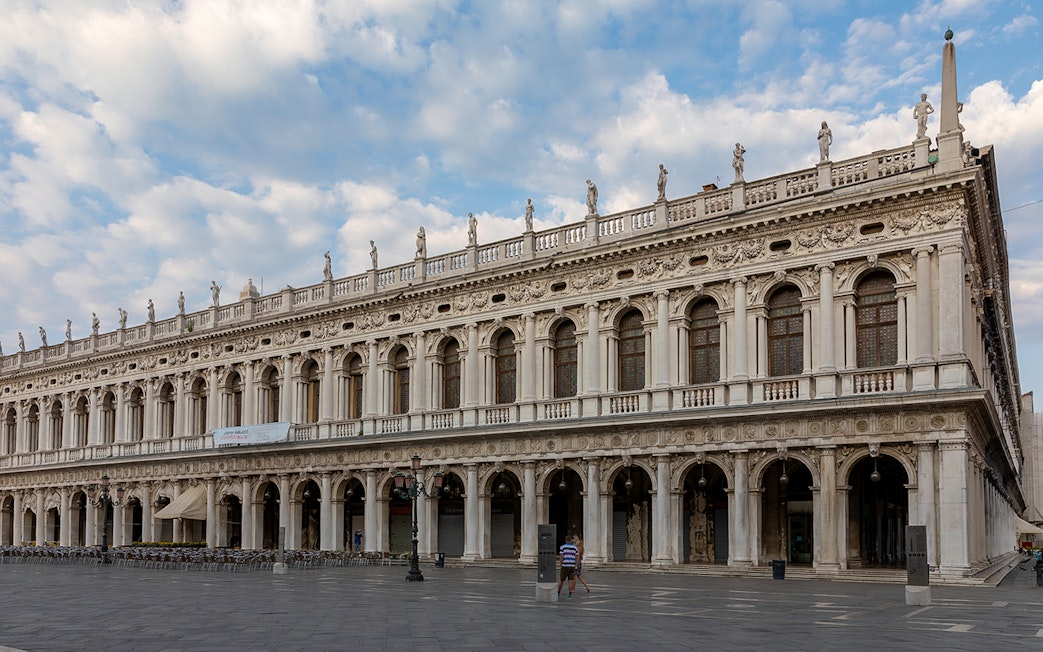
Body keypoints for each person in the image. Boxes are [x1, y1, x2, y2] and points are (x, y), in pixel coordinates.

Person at [557, 535, 579, 599]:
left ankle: (558, 592)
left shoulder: (562, 547)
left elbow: (561, 557)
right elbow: (576, 557)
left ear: (565, 540)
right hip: (572, 565)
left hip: (565, 565)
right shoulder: (575, 548)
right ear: (570, 540)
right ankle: (569, 594)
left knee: (562, 580)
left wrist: (561, 565)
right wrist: (575, 565)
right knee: (570, 580)